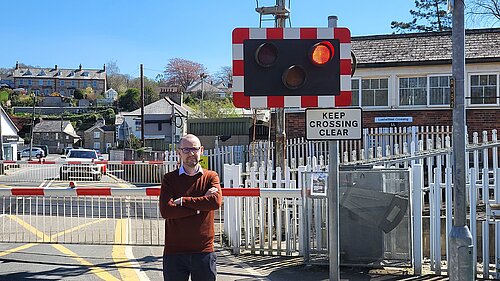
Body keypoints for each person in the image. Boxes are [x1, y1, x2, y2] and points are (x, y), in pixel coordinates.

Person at [159, 134, 223, 281]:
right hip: (175, 252)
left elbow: (215, 202)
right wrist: (200, 206)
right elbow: (166, 211)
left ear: (201, 150)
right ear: (178, 152)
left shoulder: (211, 177)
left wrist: (183, 201)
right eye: (186, 150)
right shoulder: (169, 179)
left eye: (194, 149)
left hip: (204, 251)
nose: (191, 154)